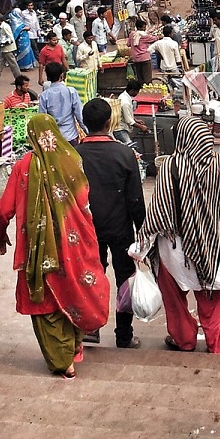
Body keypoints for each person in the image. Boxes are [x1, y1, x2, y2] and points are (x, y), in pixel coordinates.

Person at [0, 114, 110, 377]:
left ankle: (63, 362)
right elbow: (83, 200)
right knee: (75, 291)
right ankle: (76, 345)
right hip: (75, 245)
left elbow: (4, 210)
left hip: (39, 249)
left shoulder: (24, 166)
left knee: (45, 303)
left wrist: (0, 234)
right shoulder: (71, 158)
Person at [133, 116, 220, 354]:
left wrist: (141, 247)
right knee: (214, 303)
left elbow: (158, 211)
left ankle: (185, 340)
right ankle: (217, 348)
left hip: (174, 249)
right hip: (211, 248)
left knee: (175, 300)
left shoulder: (170, 166)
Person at [76, 98, 147, 349]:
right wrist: (144, 232)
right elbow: (135, 198)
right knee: (124, 280)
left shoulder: (74, 154)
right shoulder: (124, 154)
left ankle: (90, 328)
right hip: (120, 230)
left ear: (84, 123)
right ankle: (124, 335)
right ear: (110, 122)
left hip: (86, 230)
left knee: (90, 277)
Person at [38, 62, 85, 146]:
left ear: (48, 77)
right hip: (70, 136)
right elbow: (80, 116)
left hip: (53, 139)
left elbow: (42, 119)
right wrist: (87, 131)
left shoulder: (44, 96)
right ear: (62, 76)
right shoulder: (71, 91)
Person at [116, 78, 148, 144]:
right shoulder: (125, 102)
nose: (137, 93)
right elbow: (129, 121)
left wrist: (136, 120)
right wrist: (141, 127)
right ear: (132, 90)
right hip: (120, 129)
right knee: (130, 146)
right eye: (137, 91)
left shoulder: (124, 96)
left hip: (123, 127)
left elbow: (126, 114)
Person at [0, 13, 20, 83]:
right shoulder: (2, 26)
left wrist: (2, 43)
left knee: (13, 65)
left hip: (8, 49)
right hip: (4, 49)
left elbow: (10, 38)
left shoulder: (5, 27)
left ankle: (19, 79)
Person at [128, 20, 158, 84]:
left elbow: (128, 44)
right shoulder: (143, 36)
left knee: (140, 77)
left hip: (136, 59)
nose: (144, 29)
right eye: (144, 27)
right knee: (147, 78)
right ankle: (148, 90)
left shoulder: (132, 34)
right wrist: (159, 36)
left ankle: (141, 90)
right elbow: (154, 38)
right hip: (145, 58)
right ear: (139, 28)